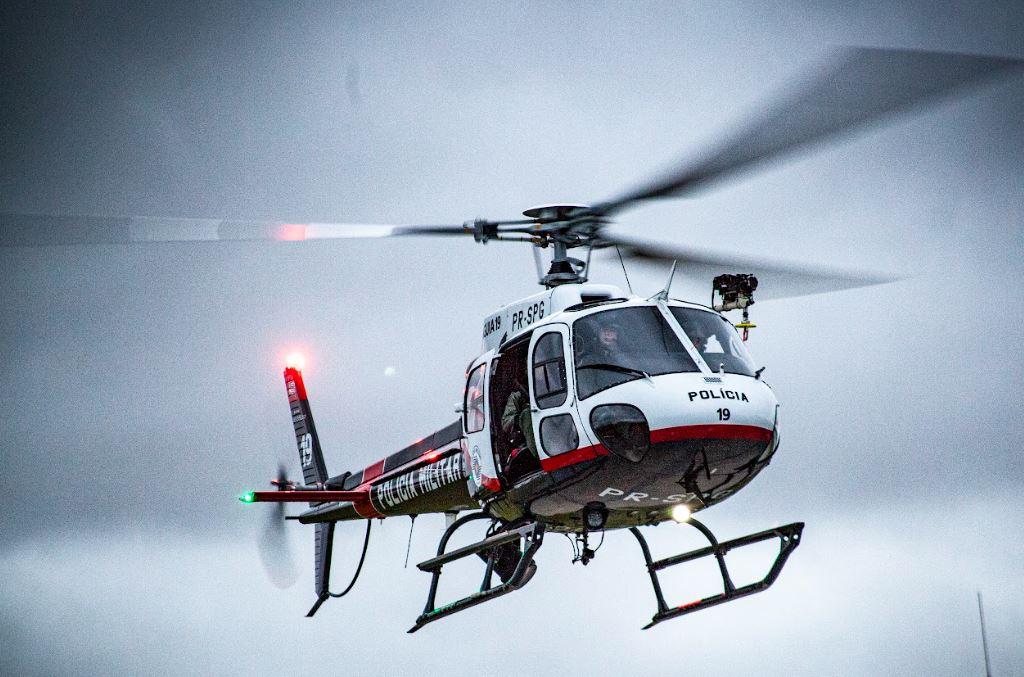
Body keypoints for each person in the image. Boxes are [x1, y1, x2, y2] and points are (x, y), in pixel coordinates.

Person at [501, 372, 537, 480]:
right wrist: (519, 419)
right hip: (534, 433)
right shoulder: (517, 396)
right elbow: (506, 422)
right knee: (526, 414)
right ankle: (539, 456)